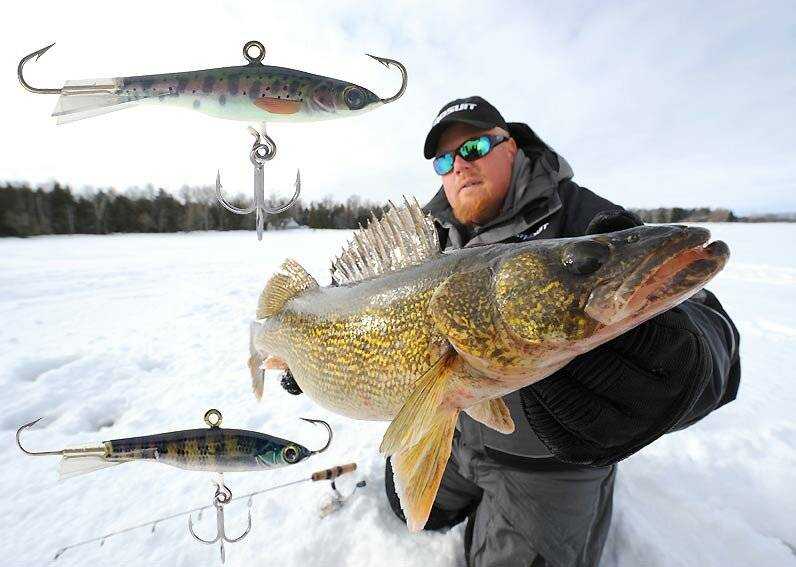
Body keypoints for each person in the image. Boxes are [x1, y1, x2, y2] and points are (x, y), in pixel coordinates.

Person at [377, 96, 741, 566]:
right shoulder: (429, 239)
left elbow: (712, 330)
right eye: (444, 160)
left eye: (474, 148)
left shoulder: (583, 219)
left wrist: (687, 363)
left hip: (550, 459)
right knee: (403, 502)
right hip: (460, 429)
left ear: (512, 146)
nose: (459, 167)